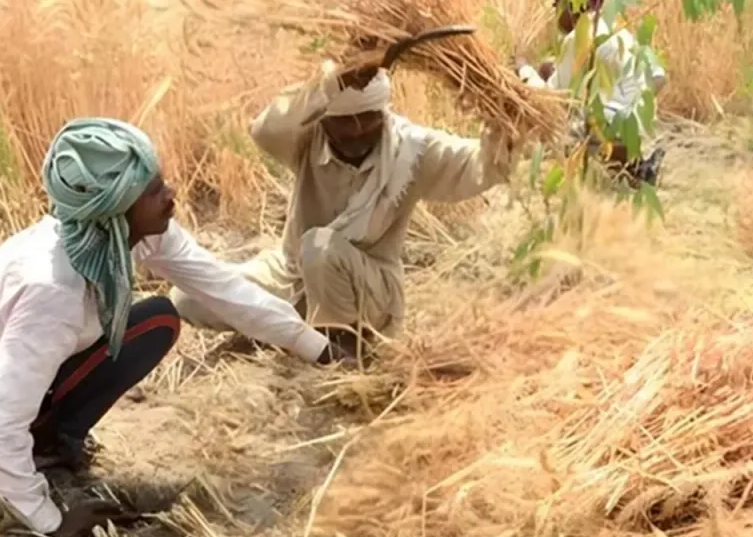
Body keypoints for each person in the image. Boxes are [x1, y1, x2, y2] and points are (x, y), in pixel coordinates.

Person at [0, 118, 342, 537]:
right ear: (115, 209)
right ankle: (47, 444)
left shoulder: (111, 233)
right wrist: (49, 519)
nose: (170, 196)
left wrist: (316, 347)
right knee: (154, 325)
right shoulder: (54, 289)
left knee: (156, 318)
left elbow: (226, 290)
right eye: (153, 191)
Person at [170, 58, 514, 358]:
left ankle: (341, 346)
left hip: (368, 293)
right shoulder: (306, 139)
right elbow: (265, 130)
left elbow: (481, 165)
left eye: (368, 117)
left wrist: (507, 115)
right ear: (323, 119)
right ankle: (292, 326)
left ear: (383, 112)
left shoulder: (410, 150)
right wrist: (327, 84)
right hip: (292, 275)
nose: (357, 131)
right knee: (187, 297)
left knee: (320, 248)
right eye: (345, 120)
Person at [516, 0, 667, 187]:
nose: (556, 15)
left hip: (609, 128)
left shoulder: (578, 37)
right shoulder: (618, 28)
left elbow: (551, 98)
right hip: (636, 125)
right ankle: (635, 166)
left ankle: (622, 166)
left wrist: (523, 69)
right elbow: (659, 77)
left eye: (558, 7)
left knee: (563, 127)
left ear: (571, 8)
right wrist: (632, 102)